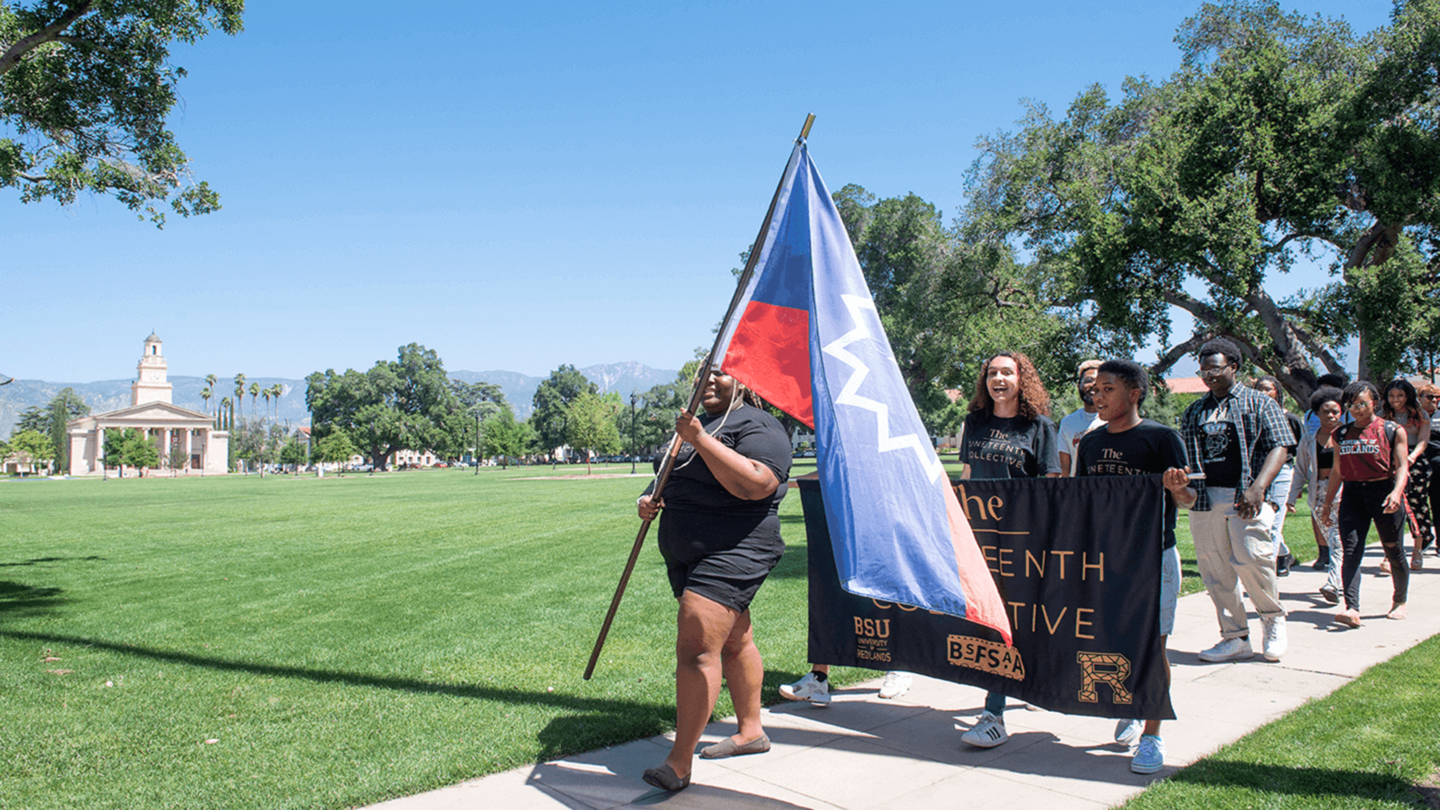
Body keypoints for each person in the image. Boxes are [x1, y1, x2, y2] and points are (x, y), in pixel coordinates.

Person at [635, 369, 792, 792]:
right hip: (688, 552)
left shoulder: (758, 425)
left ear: (743, 380)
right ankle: (751, 732)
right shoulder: (694, 424)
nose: (709, 380)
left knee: (695, 648)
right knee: (735, 639)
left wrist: (700, 438)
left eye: (721, 373)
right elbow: (673, 472)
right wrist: (649, 497)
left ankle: (678, 762)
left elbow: (757, 484)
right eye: (704, 372)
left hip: (736, 549)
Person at [1076, 360, 1196, 774]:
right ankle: (1128, 704)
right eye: (1095, 389)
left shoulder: (1162, 439)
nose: (1098, 396)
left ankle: (1152, 734)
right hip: (1107, 560)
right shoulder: (1089, 444)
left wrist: (1178, 490)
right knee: (1114, 641)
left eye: (1108, 389)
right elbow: (1082, 502)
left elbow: (1190, 500)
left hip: (1153, 556)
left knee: (1154, 646)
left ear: (1134, 394)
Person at [956, 351, 1061, 749]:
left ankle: (1003, 704)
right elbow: (967, 476)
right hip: (979, 537)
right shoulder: (975, 424)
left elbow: (1051, 484)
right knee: (989, 621)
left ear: (1022, 379)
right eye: (991, 373)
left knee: (1020, 620)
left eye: (1007, 372)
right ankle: (994, 710)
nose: (998, 379)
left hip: (1022, 538)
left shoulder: (1040, 427)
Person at [1178, 338, 1294, 663]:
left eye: (1214, 368)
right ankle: (1234, 638)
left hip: (1247, 496)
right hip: (1205, 499)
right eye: (1203, 369)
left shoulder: (1259, 402)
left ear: (1234, 366)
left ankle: (1272, 621)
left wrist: (1258, 488)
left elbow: (1281, 445)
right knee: (1214, 569)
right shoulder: (1194, 411)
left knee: (1252, 560)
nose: (1208, 374)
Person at [1320, 381, 1410, 627]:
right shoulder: (1340, 433)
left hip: (1383, 492)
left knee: (1393, 549)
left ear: (1374, 402)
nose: (1357, 409)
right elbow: (1337, 471)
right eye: (1352, 405)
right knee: (1351, 552)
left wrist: (1396, 492)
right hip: (1352, 495)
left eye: (1362, 403)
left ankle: (1400, 601)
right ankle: (1352, 608)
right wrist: (1328, 504)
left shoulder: (1392, 430)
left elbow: (1402, 466)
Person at [1288, 386, 1345, 604]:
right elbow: (1301, 469)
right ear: (1316, 414)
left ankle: (1334, 584)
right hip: (1318, 496)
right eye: (1326, 412)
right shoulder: (1309, 439)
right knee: (1334, 541)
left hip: (1343, 494)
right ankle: (1342, 582)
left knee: (1337, 541)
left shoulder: (1347, 436)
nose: (1331, 416)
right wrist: (1292, 498)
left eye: (1335, 411)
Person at [1378, 378, 1431, 571]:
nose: (1395, 399)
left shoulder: (1420, 414)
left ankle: (1417, 549)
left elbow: (1423, 441)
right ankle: (1389, 554)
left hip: (1414, 462)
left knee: (1417, 505)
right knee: (1391, 506)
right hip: (1389, 462)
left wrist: (1410, 458)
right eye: (1391, 395)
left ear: (1407, 395)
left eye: (1399, 395)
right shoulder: (1382, 415)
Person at [1253, 376, 1303, 575]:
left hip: (1282, 471)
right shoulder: (1249, 416)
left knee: (1273, 522)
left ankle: (1268, 572)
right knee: (1260, 521)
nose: (1263, 393)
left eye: (1268, 389)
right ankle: (1284, 554)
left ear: (1277, 392)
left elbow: (1299, 448)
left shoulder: (1290, 419)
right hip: (1257, 470)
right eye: (1259, 389)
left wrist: (1298, 485)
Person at [1058, 359, 1105, 477]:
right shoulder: (1068, 423)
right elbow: (1064, 468)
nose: (1093, 385)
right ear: (1079, 386)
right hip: (1078, 491)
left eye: (1099, 381)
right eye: (1088, 380)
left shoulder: (1116, 420)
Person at [1420, 382, 1440, 560]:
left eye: (1436, 397)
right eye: (1429, 397)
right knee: (1418, 504)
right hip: (1418, 465)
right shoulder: (1415, 416)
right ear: (1420, 399)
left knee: (1438, 503)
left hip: (1438, 466)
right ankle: (1425, 537)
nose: (1434, 400)